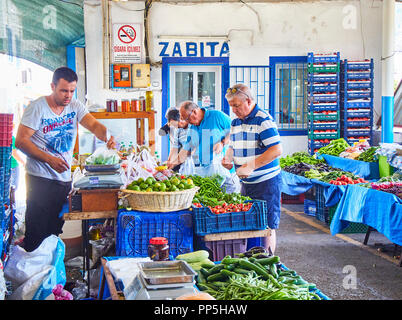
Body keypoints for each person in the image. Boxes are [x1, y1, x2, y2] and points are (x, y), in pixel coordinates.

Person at [15, 66, 116, 252]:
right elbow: (21, 142)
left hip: (63, 180)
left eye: (71, 91)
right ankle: (35, 276)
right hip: (40, 180)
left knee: (54, 230)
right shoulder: (37, 108)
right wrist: (49, 159)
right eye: (63, 90)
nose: (68, 95)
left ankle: (52, 276)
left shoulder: (75, 105)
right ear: (52, 86)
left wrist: (107, 135)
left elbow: (92, 124)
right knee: (37, 231)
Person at [222, 84, 283, 253]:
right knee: (249, 221)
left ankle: (268, 262)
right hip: (247, 183)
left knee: (268, 225)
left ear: (248, 101)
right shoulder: (235, 122)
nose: (233, 110)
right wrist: (228, 157)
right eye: (231, 106)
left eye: (236, 105)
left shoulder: (263, 120)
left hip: (267, 183)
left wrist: (250, 165)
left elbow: (276, 150)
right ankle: (252, 256)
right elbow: (232, 146)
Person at [168, 101, 231, 176]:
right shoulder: (192, 128)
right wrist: (172, 164)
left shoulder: (216, 116)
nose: (187, 123)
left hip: (225, 171)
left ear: (194, 112)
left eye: (187, 119)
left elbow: (235, 130)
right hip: (208, 172)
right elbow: (186, 151)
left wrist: (222, 142)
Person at [162, 108, 189, 172]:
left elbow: (186, 150)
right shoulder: (176, 129)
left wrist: (173, 163)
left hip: (189, 162)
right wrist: (169, 160)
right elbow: (174, 147)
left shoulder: (187, 130)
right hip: (180, 162)